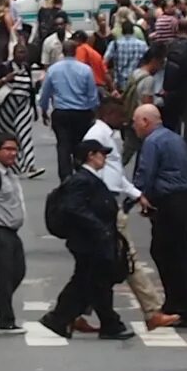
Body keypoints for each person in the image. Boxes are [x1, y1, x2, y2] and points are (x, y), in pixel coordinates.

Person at [40, 141, 129, 341]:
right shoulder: (82, 180)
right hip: (88, 242)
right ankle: (59, 318)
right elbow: (73, 207)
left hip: (94, 241)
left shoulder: (89, 179)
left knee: (95, 282)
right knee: (87, 281)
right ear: (91, 155)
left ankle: (106, 323)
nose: (104, 158)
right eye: (101, 154)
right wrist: (98, 227)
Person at [131, 101, 187, 329]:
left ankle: (180, 306)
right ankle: (179, 302)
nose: (134, 128)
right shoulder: (174, 138)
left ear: (145, 121)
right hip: (185, 198)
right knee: (177, 251)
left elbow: (147, 171)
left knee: (168, 252)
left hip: (170, 200)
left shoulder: (152, 142)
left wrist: (137, 196)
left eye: (135, 123)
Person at [38, 44, 103, 182]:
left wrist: (44, 109)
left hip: (61, 112)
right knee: (80, 144)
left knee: (63, 146)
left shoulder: (53, 69)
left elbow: (45, 93)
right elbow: (92, 95)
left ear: (63, 52)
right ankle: (81, 173)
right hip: (82, 113)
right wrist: (93, 112)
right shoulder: (85, 70)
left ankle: (65, 178)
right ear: (75, 51)